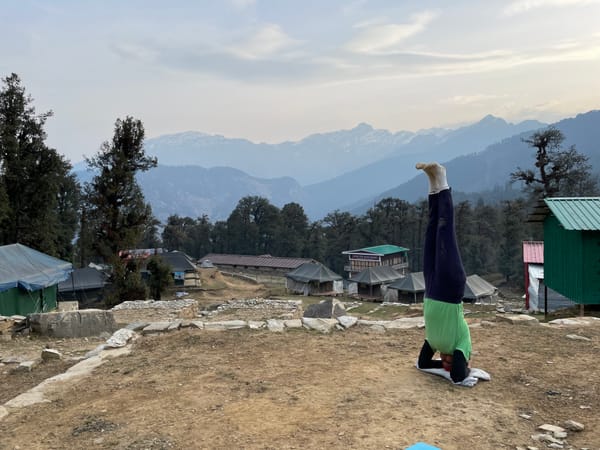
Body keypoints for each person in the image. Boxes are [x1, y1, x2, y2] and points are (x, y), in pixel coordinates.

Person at [414, 162, 490, 387]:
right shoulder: (461, 342)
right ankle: (443, 180)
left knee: (430, 233)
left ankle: (432, 186)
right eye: (452, 362)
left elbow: (423, 364)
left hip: (431, 289)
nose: (447, 363)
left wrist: (441, 366)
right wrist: (462, 368)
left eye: (444, 363)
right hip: (450, 287)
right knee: (445, 231)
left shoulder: (434, 342)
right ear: (464, 358)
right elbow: (458, 375)